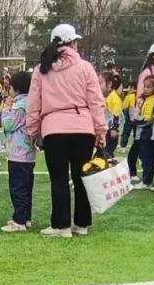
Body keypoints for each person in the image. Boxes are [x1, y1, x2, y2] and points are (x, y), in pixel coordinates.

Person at [26, 24, 106, 238]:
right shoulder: (85, 68)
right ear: (73, 43)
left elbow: (34, 103)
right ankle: (82, 223)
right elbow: (96, 101)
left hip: (54, 128)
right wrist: (101, 130)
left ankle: (61, 225)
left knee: (59, 178)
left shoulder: (42, 69)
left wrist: (33, 130)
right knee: (82, 177)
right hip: (83, 127)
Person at [1, 71, 36, 232]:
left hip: (18, 153)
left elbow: (8, 125)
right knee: (26, 187)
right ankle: (25, 217)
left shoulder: (18, 105)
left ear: (15, 89)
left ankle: (19, 220)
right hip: (28, 153)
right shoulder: (32, 102)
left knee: (18, 188)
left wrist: (7, 108)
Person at [102, 71, 123, 160]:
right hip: (105, 130)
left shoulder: (114, 98)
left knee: (107, 154)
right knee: (103, 153)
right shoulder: (106, 96)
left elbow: (116, 114)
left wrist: (114, 128)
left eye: (100, 82)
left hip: (110, 131)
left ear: (109, 84)